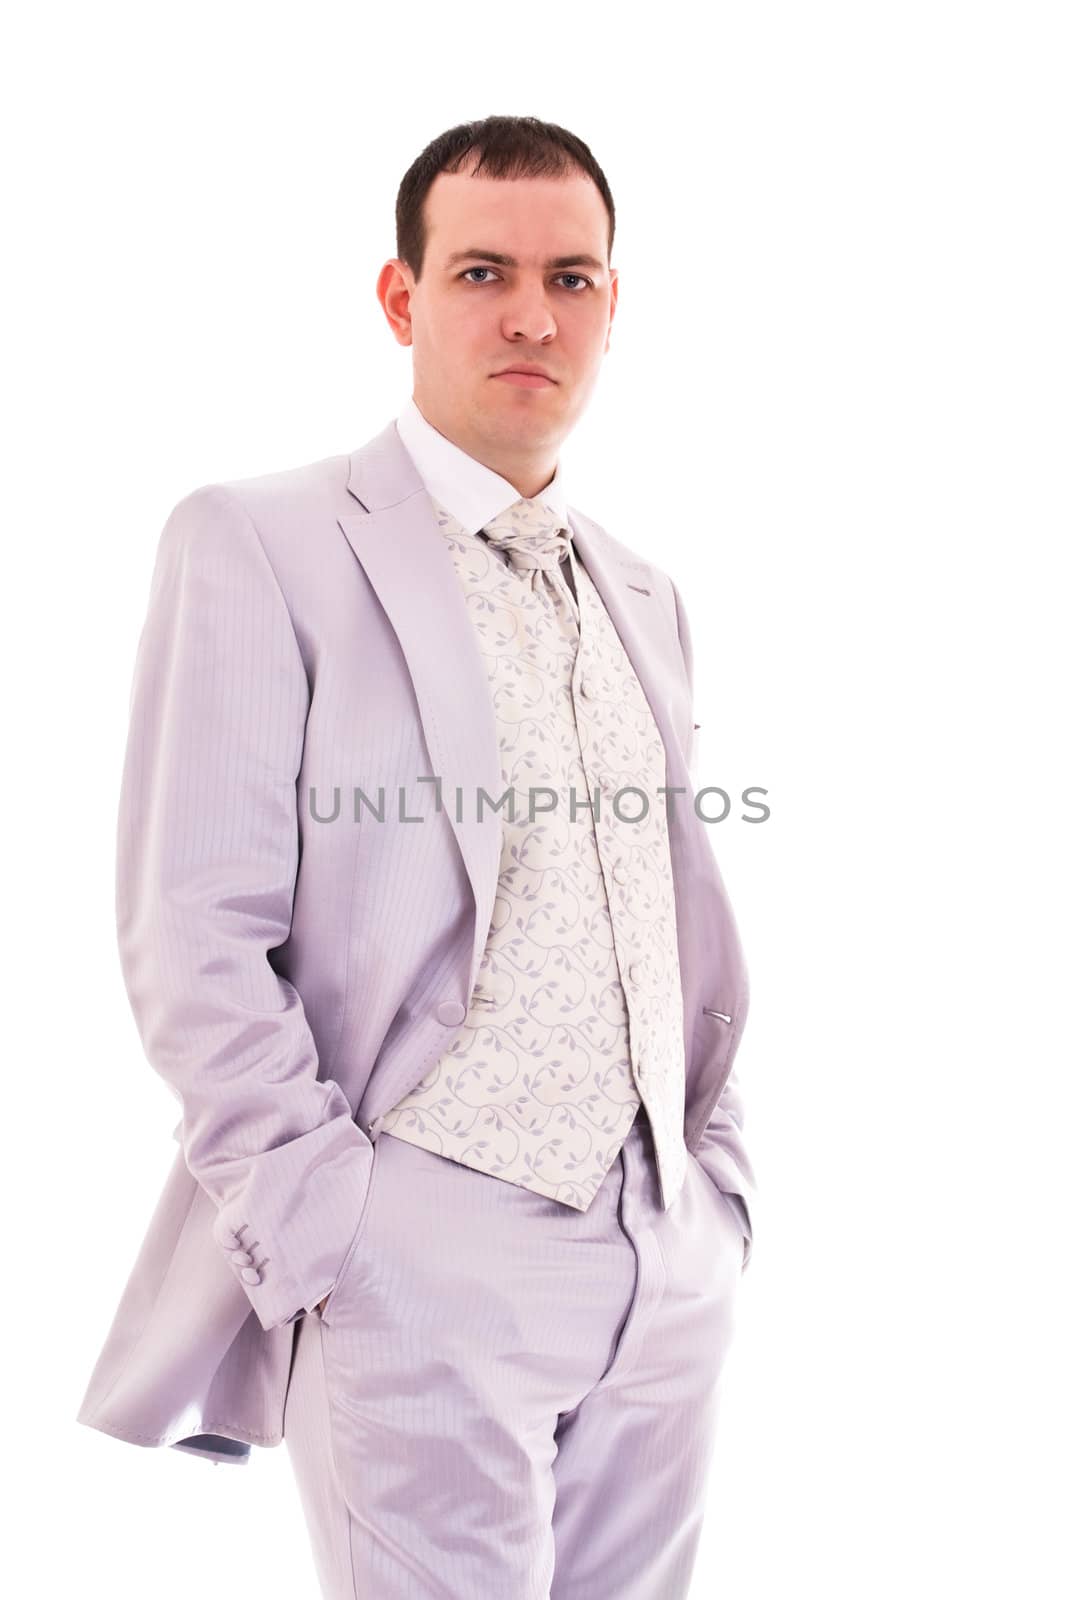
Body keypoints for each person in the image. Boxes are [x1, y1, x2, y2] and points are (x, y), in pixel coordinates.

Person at [76, 114, 757, 1599]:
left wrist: (717, 1187)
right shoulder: (260, 541)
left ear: (611, 306)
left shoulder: (646, 589)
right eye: (483, 271)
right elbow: (190, 924)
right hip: (419, 1244)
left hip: (664, 1259)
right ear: (404, 299)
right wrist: (334, 1223)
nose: (531, 313)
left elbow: (668, 909)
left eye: (572, 277)